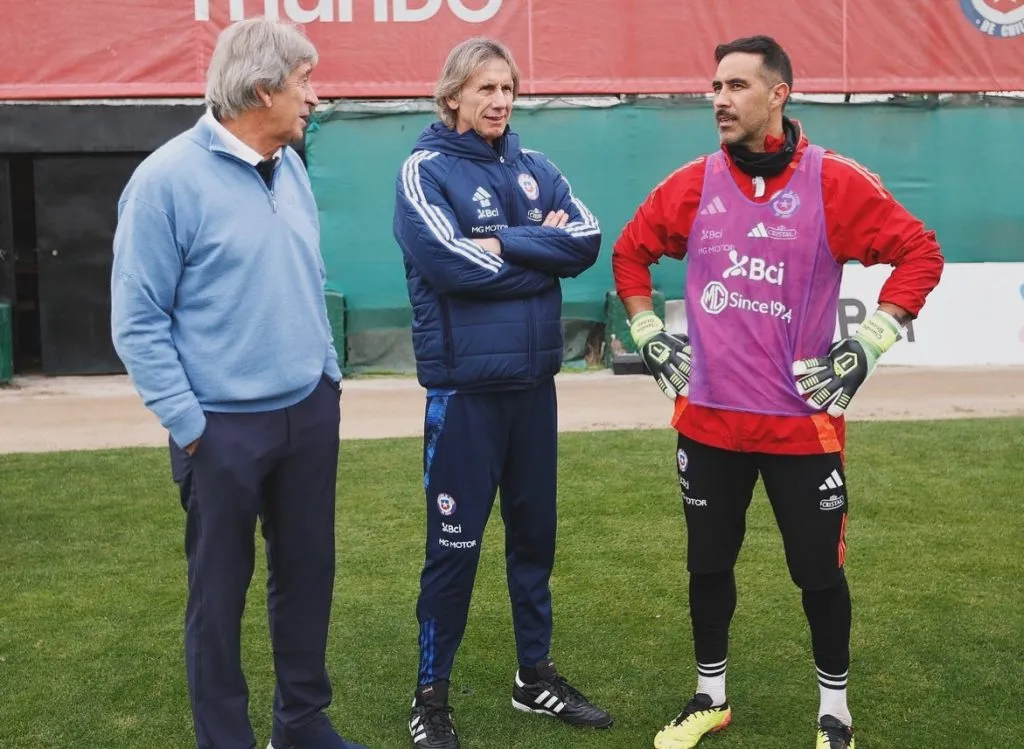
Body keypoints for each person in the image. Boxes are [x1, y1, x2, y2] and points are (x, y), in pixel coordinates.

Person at [612, 35, 943, 749]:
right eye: (715, 86)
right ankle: (709, 698)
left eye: (735, 86)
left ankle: (835, 711)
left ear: (778, 95)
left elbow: (920, 252)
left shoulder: (832, 180)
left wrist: (870, 344)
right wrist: (647, 332)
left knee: (819, 575)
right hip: (707, 425)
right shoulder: (694, 182)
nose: (719, 100)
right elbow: (630, 251)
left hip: (803, 428)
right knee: (708, 564)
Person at [110, 18, 366, 749]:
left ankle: (301, 723)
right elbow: (137, 322)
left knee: (308, 574)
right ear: (262, 89)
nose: (314, 97)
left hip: (308, 413)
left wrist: (327, 379)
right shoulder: (164, 181)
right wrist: (192, 426)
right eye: (304, 83)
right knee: (218, 598)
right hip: (219, 430)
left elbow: (307, 278)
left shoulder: (290, 165)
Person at [392, 36, 611, 749]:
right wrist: (534, 254)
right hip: (464, 397)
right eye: (485, 88)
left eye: (508, 88)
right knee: (453, 549)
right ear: (452, 94)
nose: (500, 100)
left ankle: (534, 676)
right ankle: (430, 697)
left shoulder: (536, 166)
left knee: (534, 542)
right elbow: (450, 264)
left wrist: (502, 244)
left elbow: (586, 238)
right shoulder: (423, 170)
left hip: (531, 390)